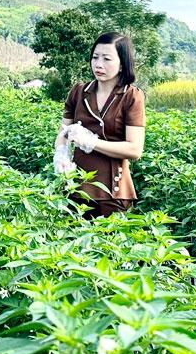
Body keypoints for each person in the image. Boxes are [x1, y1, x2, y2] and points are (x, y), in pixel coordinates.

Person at [56, 32, 146, 218]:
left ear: (122, 64)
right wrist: (61, 155)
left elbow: (135, 149)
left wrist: (91, 142)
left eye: (107, 59)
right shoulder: (79, 92)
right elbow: (63, 133)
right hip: (76, 187)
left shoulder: (131, 96)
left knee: (110, 244)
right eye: (95, 57)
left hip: (113, 192)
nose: (98, 64)